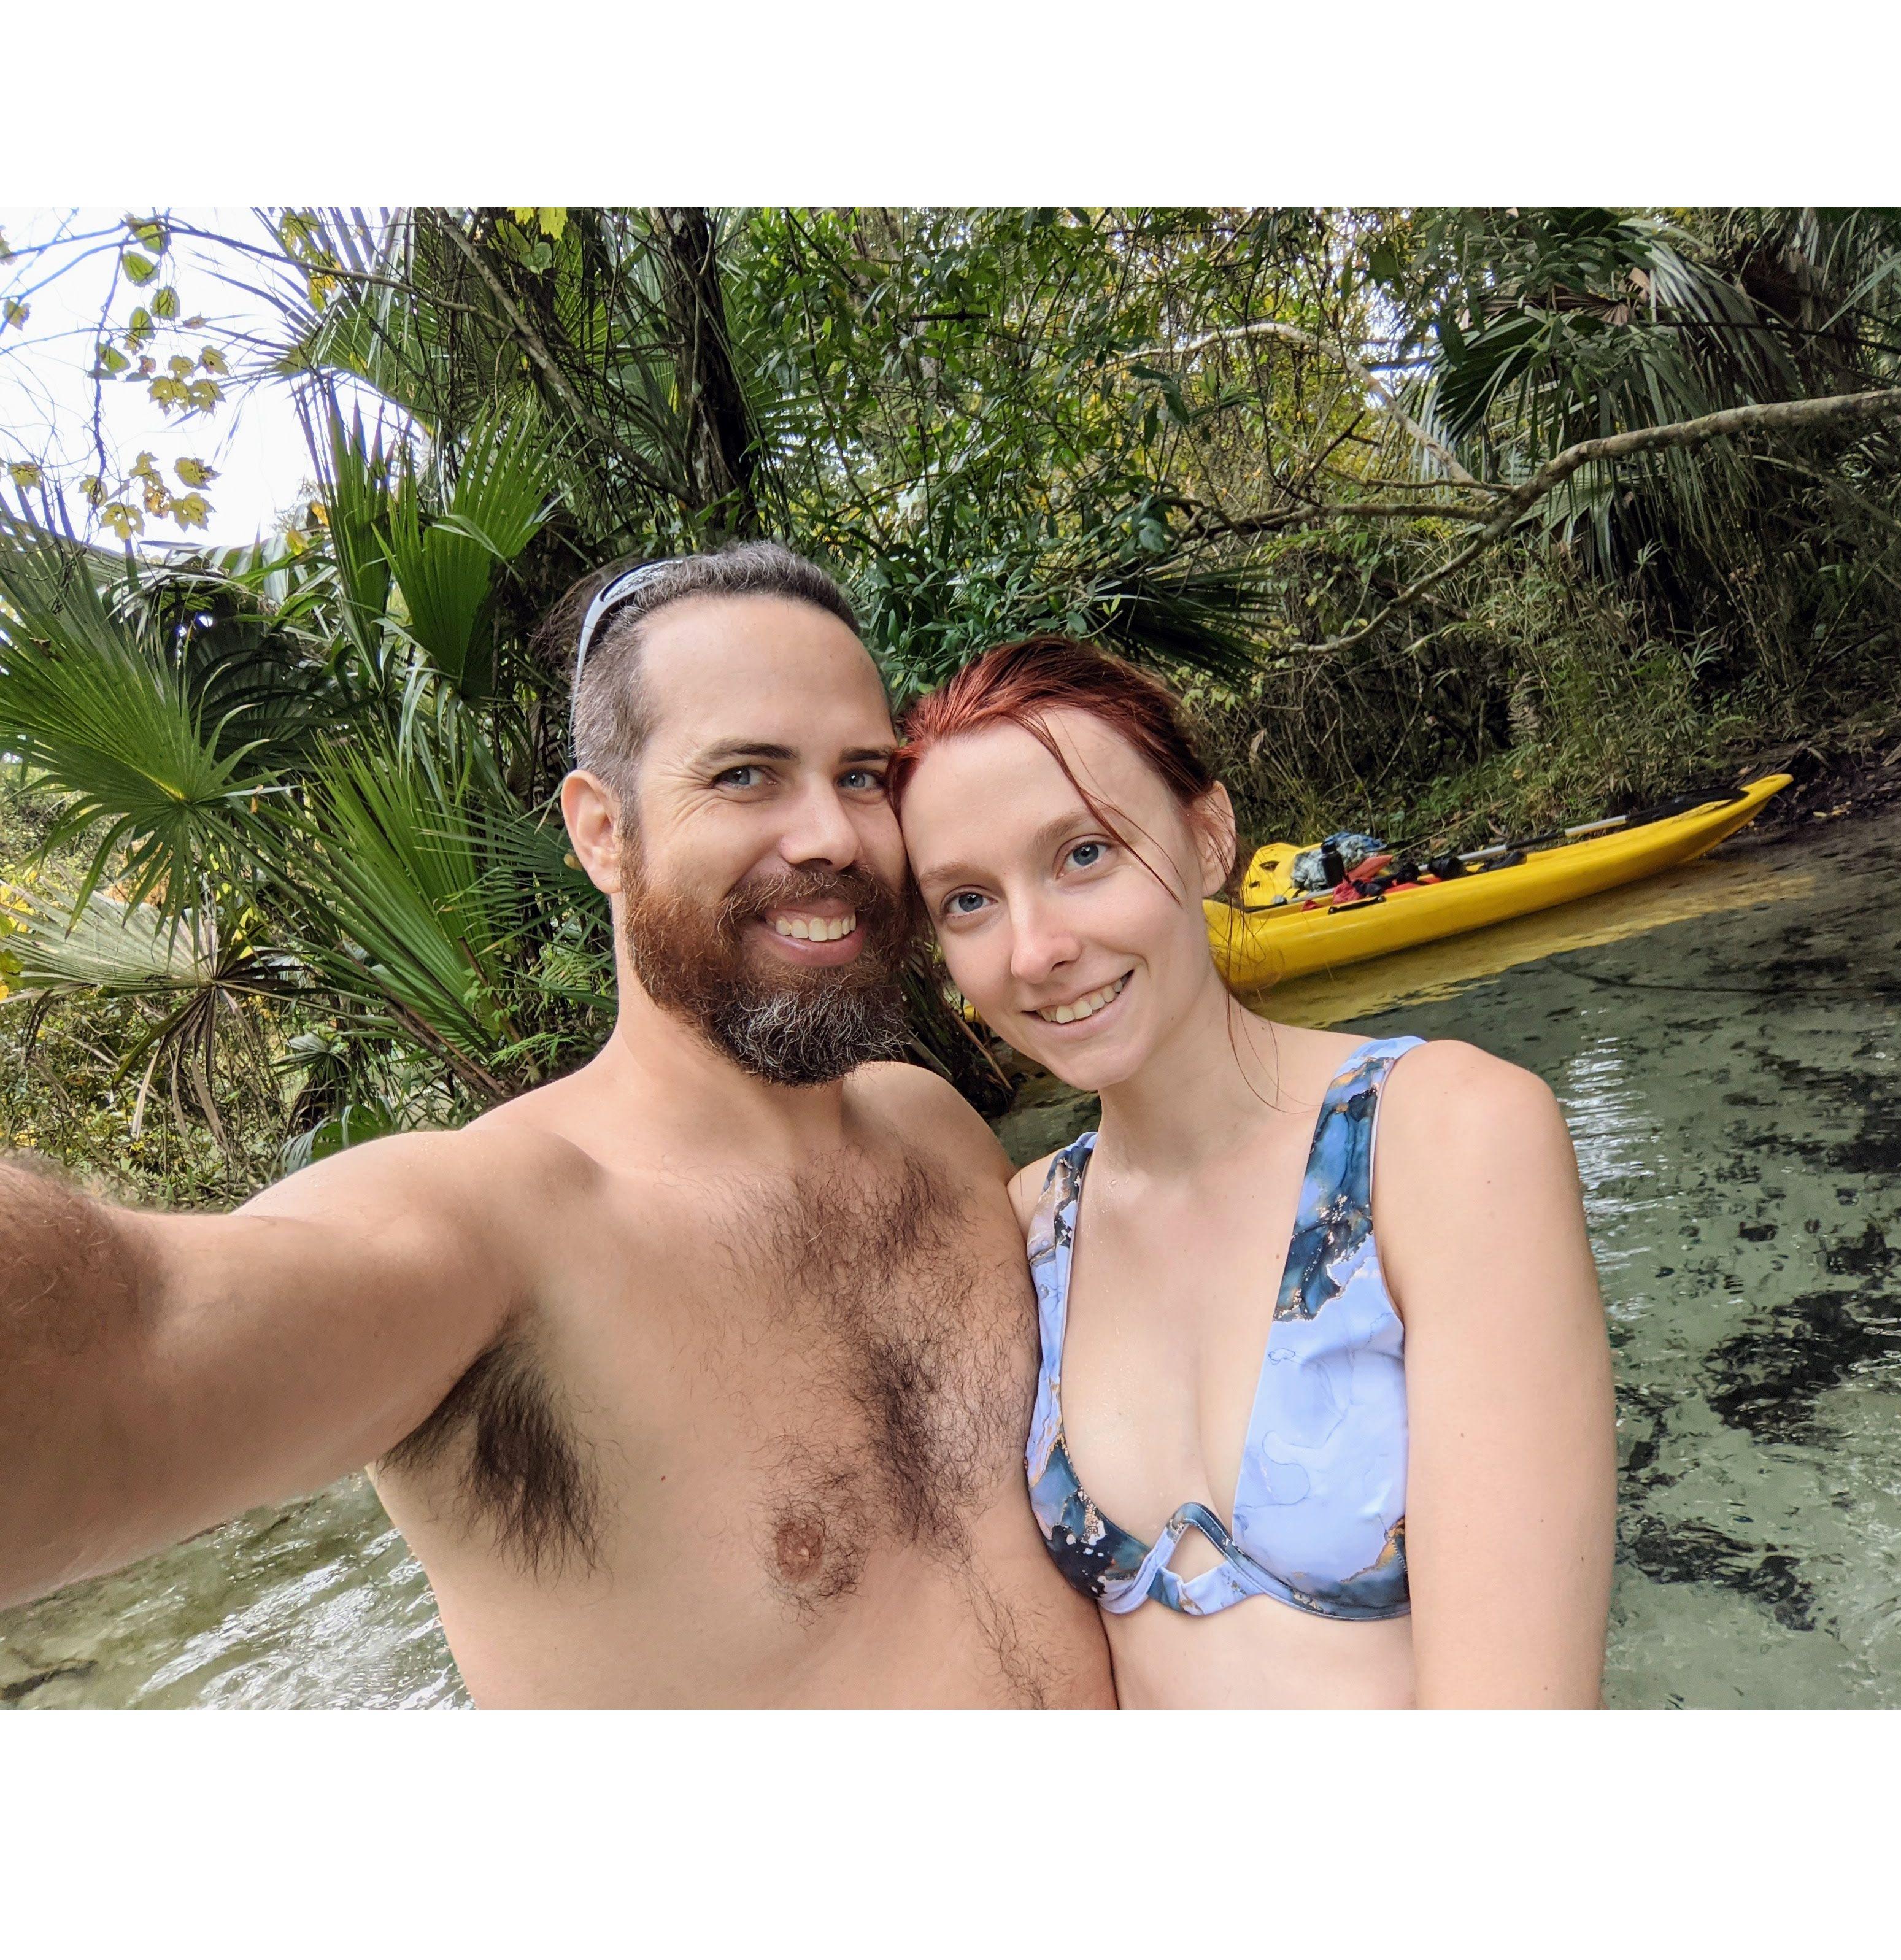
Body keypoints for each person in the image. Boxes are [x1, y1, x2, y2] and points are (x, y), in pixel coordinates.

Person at [0, 546, 1114, 1709]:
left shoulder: (933, 1129)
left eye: (864, 774)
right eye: (745, 775)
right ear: (601, 831)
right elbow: (135, 1337)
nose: (831, 834)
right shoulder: (498, 1230)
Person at [889, 636, 1616, 1708]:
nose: (1034, 949)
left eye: (1084, 854)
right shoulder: (1033, 1226)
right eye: (967, 901)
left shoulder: (1446, 1140)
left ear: (1208, 833)